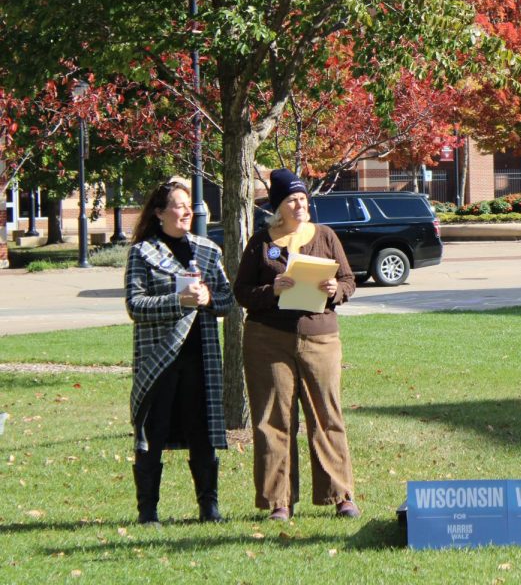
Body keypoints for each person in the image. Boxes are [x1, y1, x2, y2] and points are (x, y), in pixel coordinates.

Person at [233, 169, 360, 520]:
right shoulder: (261, 242)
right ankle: (279, 501)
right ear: (279, 207)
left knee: (326, 415)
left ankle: (342, 495)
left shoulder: (325, 235)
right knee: (272, 421)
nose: (300, 204)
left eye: (303, 198)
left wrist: (338, 290)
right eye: (292, 199)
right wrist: (271, 290)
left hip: (320, 337)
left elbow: (348, 279)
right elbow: (241, 292)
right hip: (268, 340)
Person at [125, 179, 233, 524]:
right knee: (152, 435)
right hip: (159, 360)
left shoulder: (207, 250)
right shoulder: (142, 252)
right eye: (178, 205)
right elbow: (135, 305)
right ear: (159, 213)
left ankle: (209, 509)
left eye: (188, 205)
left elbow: (229, 301)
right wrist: (178, 301)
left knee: (202, 433)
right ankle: (148, 512)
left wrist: (209, 299)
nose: (186, 211)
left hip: (200, 358)